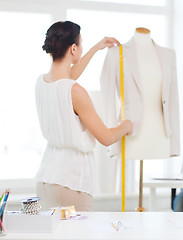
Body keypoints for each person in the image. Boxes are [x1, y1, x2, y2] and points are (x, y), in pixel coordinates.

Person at [35, 21, 133, 211]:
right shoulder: (75, 91)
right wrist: (126, 125)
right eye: (81, 44)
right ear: (73, 48)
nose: (82, 47)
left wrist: (96, 48)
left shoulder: (42, 82)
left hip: (46, 179)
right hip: (71, 183)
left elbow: (67, 78)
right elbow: (106, 137)